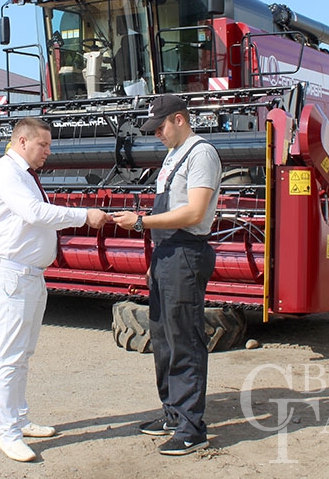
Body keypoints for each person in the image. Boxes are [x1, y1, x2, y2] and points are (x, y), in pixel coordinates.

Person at [0, 116, 109, 462]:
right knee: (9, 355)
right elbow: (34, 213)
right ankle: (7, 433)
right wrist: (84, 216)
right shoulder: (6, 173)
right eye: (44, 145)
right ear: (22, 141)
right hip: (11, 275)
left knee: (22, 354)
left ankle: (19, 419)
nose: (48, 151)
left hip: (28, 275)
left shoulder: (24, 175)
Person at [113, 94, 221, 456]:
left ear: (179, 119)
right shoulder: (173, 155)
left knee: (185, 338)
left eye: (160, 127)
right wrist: (155, 258)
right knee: (163, 336)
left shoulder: (201, 153)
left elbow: (194, 212)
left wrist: (141, 222)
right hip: (167, 253)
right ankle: (172, 412)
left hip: (187, 252)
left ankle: (192, 427)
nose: (157, 134)